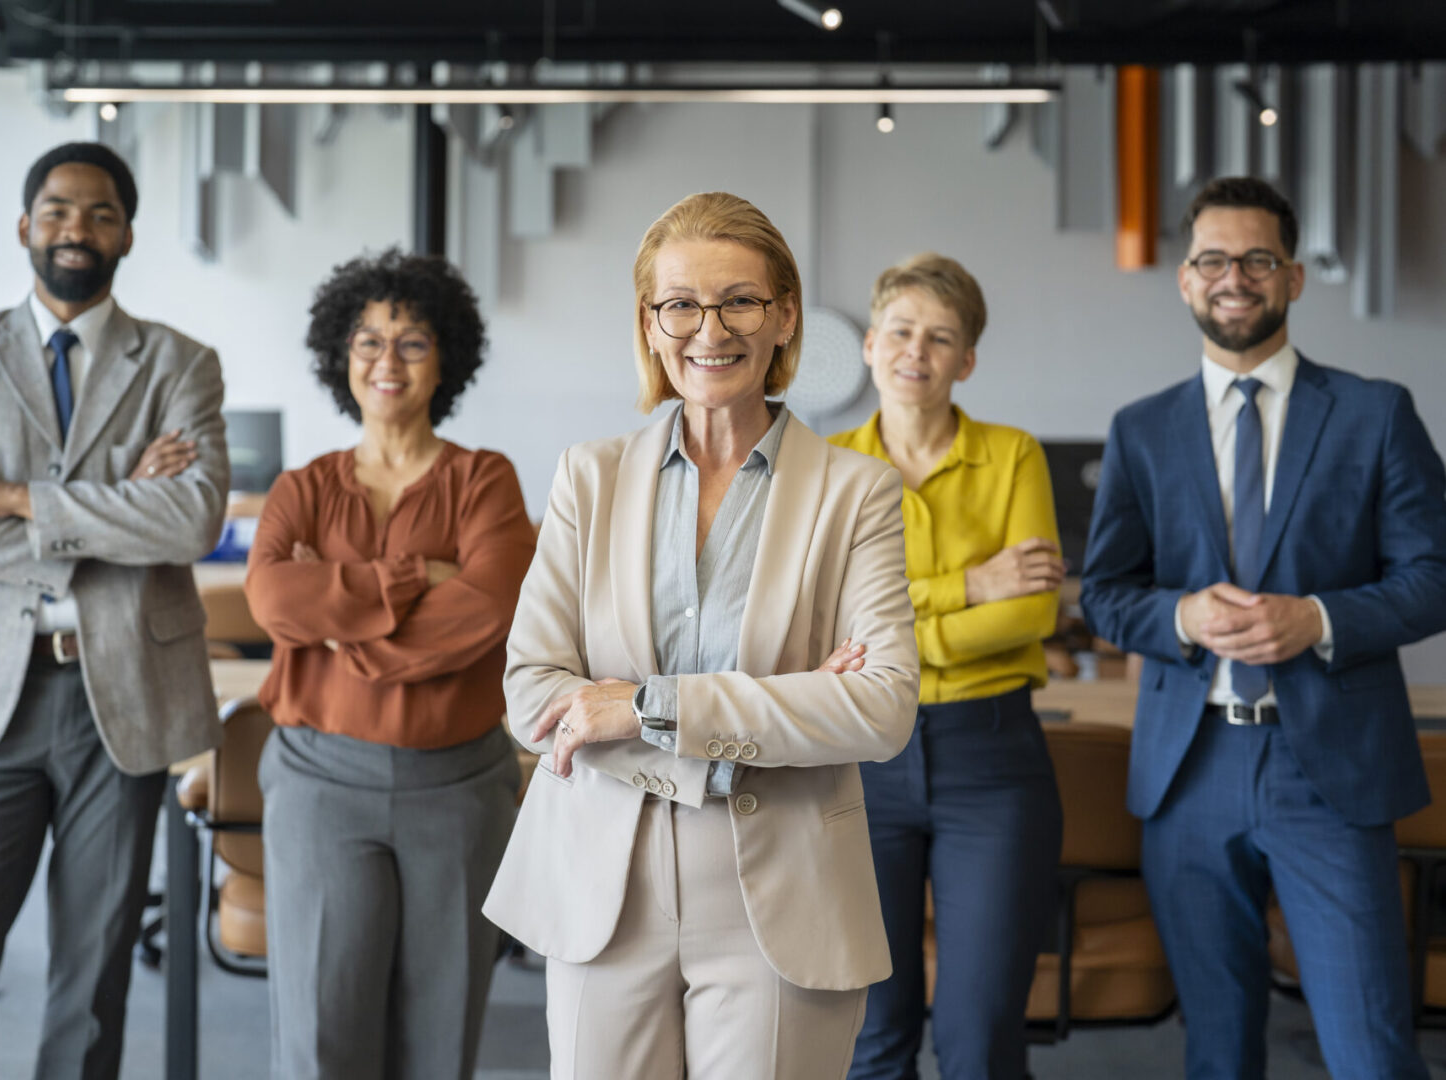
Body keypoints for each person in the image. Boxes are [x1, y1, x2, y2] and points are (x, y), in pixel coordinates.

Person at [483, 191, 920, 1080]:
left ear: (785, 314)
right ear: (649, 323)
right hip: (606, 870)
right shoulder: (588, 478)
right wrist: (790, 702)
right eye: (679, 303)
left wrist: (638, 706)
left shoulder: (855, 493)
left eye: (741, 300)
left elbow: (878, 711)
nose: (708, 329)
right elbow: (532, 689)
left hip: (781, 884)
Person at [1081, 176, 1446, 1079]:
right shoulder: (1141, 430)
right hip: (1188, 767)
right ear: (1185, 278)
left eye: (1256, 259)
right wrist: (1181, 613)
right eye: (1212, 259)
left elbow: (1435, 577)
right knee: (1217, 1049)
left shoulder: (1375, 411)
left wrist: (1317, 618)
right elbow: (1106, 593)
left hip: (1329, 768)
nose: (1232, 276)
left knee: (1371, 1049)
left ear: (1292, 277)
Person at [0, 141, 229, 1079]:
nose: (77, 229)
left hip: (120, 696)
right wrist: (121, 496)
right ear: (25, 226)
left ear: (127, 233)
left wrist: (4, 496)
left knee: (92, 976)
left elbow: (193, 518)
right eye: (59, 210)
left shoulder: (181, 364)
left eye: (101, 213)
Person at [245, 248, 534, 1080]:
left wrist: (337, 625)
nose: (387, 360)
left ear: (446, 358)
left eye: (411, 342)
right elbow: (271, 604)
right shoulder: (303, 487)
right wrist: (413, 581)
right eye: (368, 341)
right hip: (320, 783)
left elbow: (484, 615)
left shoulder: (485, 482)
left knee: (439, 1040)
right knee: (319, 1037)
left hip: (459, 788)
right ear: (343, 357)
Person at [829, 253, 1064, 1080]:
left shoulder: (1014, 456)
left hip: (990, 759)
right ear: (868, 344)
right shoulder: (825, 471)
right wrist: (969, 585)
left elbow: (1033, 612)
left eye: (940, 338)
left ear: (966, 361)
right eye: (900, 331)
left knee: (979, 1034)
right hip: (860, 762)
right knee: (870, 1030)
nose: (915, 352)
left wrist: (894, 623)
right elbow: (823, 629)